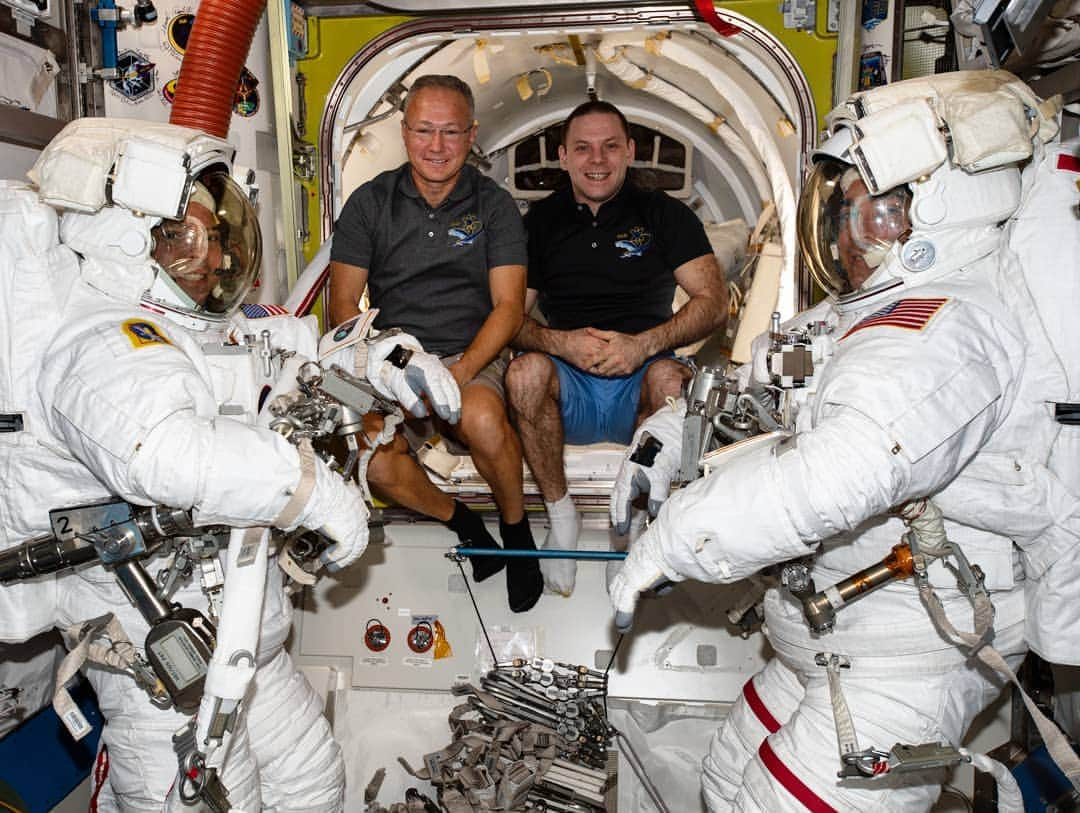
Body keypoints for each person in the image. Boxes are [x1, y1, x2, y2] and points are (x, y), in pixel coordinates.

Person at [609, 71, 1076, 810]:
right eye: (840, 211)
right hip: (823, 633)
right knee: (725, 783)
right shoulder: (851, 320)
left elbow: (841, 469)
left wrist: (673, 541)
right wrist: (664, 439)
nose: (844, 235)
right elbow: (745, 391)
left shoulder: (948, 328)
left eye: (867, 213)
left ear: (935, 212)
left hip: (907, 651)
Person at [0, 116, 402, 809]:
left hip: (237, 635)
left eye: (217, 237)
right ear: (129, 238)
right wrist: (311, 492)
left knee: (310, 783)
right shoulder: (100, 342)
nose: (214, 259)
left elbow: (282, 353)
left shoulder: (183, 328)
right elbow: (163, 451)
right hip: (161, 658)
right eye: (191, 239)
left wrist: (376, 362)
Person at [327, 74, 543, 613]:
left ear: (472, 136)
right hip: (390, 358)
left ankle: (518, 538)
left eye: (450, 132)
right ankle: (464, 522)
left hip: (471, 353)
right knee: (372, 462)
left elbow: (509, 308)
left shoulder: (494, 206)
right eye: (424, 130)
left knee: (484, 420)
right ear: (404, 132)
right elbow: (341, 308)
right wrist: (390, 367)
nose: (437, 146)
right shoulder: (369, 203)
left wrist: (459, 373)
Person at [505, 100, 728, 596]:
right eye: (582, 148)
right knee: (523, 375)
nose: (597, 160)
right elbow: (508, 318)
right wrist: (558, 342)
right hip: (572, 386)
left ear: (630, 152)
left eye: (610, 146)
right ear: (563, 157)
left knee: (672, 380)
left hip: (641, 381)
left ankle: (627, 530)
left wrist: (643, 343)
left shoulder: (666, 215)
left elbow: (715, 303)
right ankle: (560, 515)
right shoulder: (536, 224)